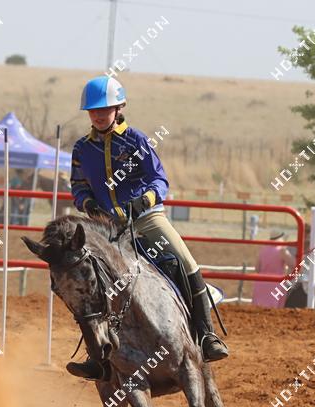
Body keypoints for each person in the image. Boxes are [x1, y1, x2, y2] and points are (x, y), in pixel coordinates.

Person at [66, 75, 227, 381]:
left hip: (147, 219)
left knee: (186, 260)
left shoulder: (136, 140)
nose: (98, 115)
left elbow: (159, 179)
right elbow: (78, 186)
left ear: (119, 108)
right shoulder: (81, 148)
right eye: (93, 110)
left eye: (105, 109)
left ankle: (207, 335)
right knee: (93, 281)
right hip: (108, 227)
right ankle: (96, 357)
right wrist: (88, 205)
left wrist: (145, 201)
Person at [284, 223, 315, 309]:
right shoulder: (291, 248)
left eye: (308, 232)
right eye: (304, 232)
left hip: (310, 287)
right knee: (289, 312)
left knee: (311, 312)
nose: (306, 235)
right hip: (293, 287)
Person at [252, 231, 295, 308]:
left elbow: (257, 268)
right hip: (275, 283)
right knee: (273, 310)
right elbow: (293, 265)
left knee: (257, 309)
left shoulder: (263, 249)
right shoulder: (282, 250)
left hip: (260, 281)